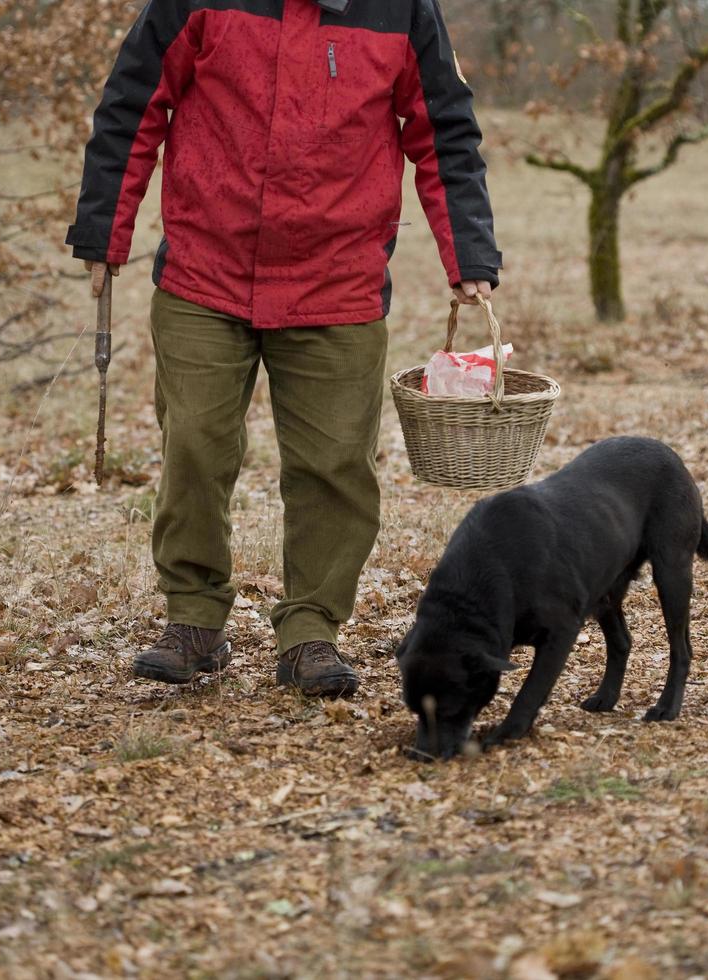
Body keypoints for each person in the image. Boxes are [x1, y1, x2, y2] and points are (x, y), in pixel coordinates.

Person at [66, 0, 502, 697]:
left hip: (338, 279)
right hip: (204, 270)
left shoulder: (404, 11)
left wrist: (469, 253)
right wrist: (102, 230)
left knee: (334, 465)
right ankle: (195, 618)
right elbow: (134, 98)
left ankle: (310, 630)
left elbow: (445, 130)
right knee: (196, 444)